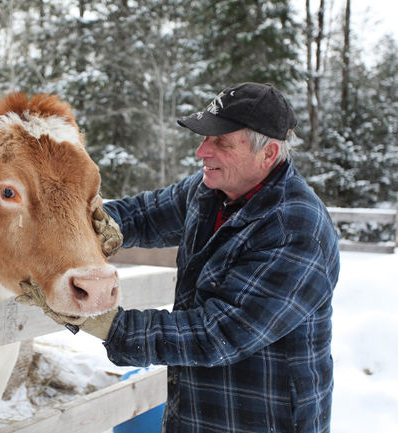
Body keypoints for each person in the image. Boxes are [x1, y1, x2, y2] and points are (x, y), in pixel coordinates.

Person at [18, 82, 340, 433]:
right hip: (195, 414)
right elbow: (145, 214)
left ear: (268, 153)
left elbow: (216, 333)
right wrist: (76, 227)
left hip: (264, 418)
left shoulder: (295, 228)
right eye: (204, 138)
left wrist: (108, 324)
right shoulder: (210, 190)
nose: (202, 151)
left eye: (221, 142)